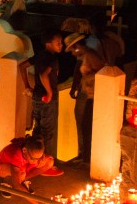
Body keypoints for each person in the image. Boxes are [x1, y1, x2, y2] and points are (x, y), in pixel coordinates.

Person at [19, 27, 64, 174]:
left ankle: (34, 160)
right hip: (47, 99)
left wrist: (27, 86)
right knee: (47, 132)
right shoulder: (52, 59)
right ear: (48, 43)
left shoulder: (39, 55)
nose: (61, 45)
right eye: (58, 43)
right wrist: (49, 92)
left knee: (37, 130)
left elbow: (22, 66)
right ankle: (46, 165)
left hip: (36, 97)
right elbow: (43, 75)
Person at [66, 32, 105, 166]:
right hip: (89, 94)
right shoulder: (87, 56)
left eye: (72, 50)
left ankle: (86, 156)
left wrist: (87, 77)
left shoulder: (90, 55)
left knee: (86, 125)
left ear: (77, 47)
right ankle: (85, 155)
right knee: (85, 125)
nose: (72, 53)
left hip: (93, 95)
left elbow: (101, 72)